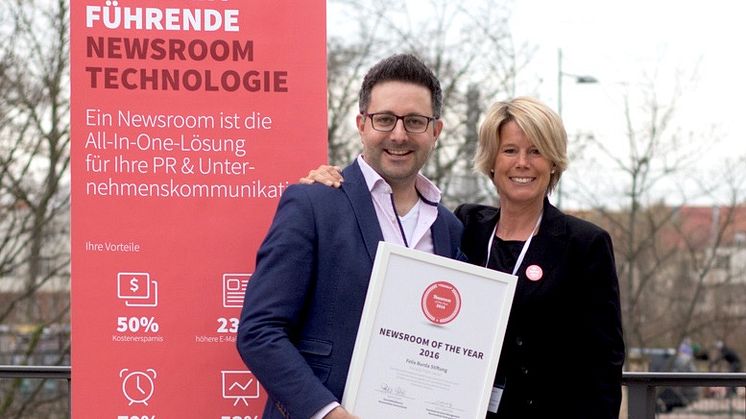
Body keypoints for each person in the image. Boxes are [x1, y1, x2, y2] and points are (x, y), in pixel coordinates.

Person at [304, 96, 625, 418]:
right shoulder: (465, 226)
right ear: (492, 161)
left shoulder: (584, 244)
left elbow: (603, 364)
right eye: (510, 150)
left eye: (536, 151)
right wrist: (332, 183)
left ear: (553, 162)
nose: (522, 163)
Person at [236, 54, 463, 419]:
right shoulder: (314, 203)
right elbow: (259, 331)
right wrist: (327, 413)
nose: (399, 135)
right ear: (361, 124)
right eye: (385, 119)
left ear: (436, 131)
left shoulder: (448, 229)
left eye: (415, 122)